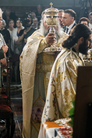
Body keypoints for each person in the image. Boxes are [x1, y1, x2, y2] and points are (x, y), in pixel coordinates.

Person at [20, 10, 69, 138]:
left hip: (59, 81)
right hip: (40, 80)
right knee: (39, 112)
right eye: (48, 21)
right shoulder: (35, 36)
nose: (51, 25)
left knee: (57, 110)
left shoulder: (65, 37)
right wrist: (44, 42)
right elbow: (26, 54)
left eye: (55, 20)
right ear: (43, 22)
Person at [38, 24, 92, 138]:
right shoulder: (68, 60)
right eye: (89, 41)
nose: (90, 45)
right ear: (81, 40)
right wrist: (81, 115)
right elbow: (67, 95)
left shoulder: (75, 56)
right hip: (66, 115)